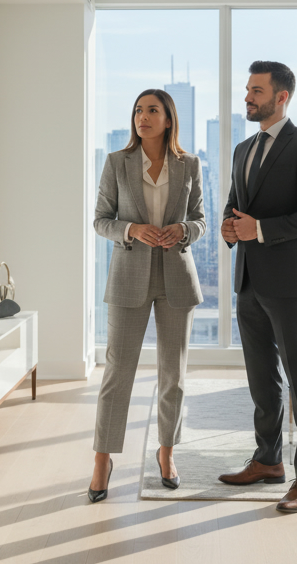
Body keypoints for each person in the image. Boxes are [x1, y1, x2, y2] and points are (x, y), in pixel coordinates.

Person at [217, 60, 297, 513]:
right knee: (262, 380)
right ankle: (268, 461)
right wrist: (230, 227)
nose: (248, 97)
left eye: (256, 90)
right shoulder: (243, 149)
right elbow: (234, 202)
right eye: (247, 89)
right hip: (248, 280)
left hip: (289, 282)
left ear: (281, 97)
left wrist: (260, 229)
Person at [89, 89, 207, 502]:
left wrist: (184, 231)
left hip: (176, 276)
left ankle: (167, 452)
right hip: (127, 277)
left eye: (152, 110)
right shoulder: (116, 163)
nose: (143, 117)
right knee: (117, 372)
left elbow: (201, 220)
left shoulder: (190, 164)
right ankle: (103, 459)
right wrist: (132, 229)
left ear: (169, 119)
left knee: (172, 374)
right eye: (138, 110)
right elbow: (100, 221)